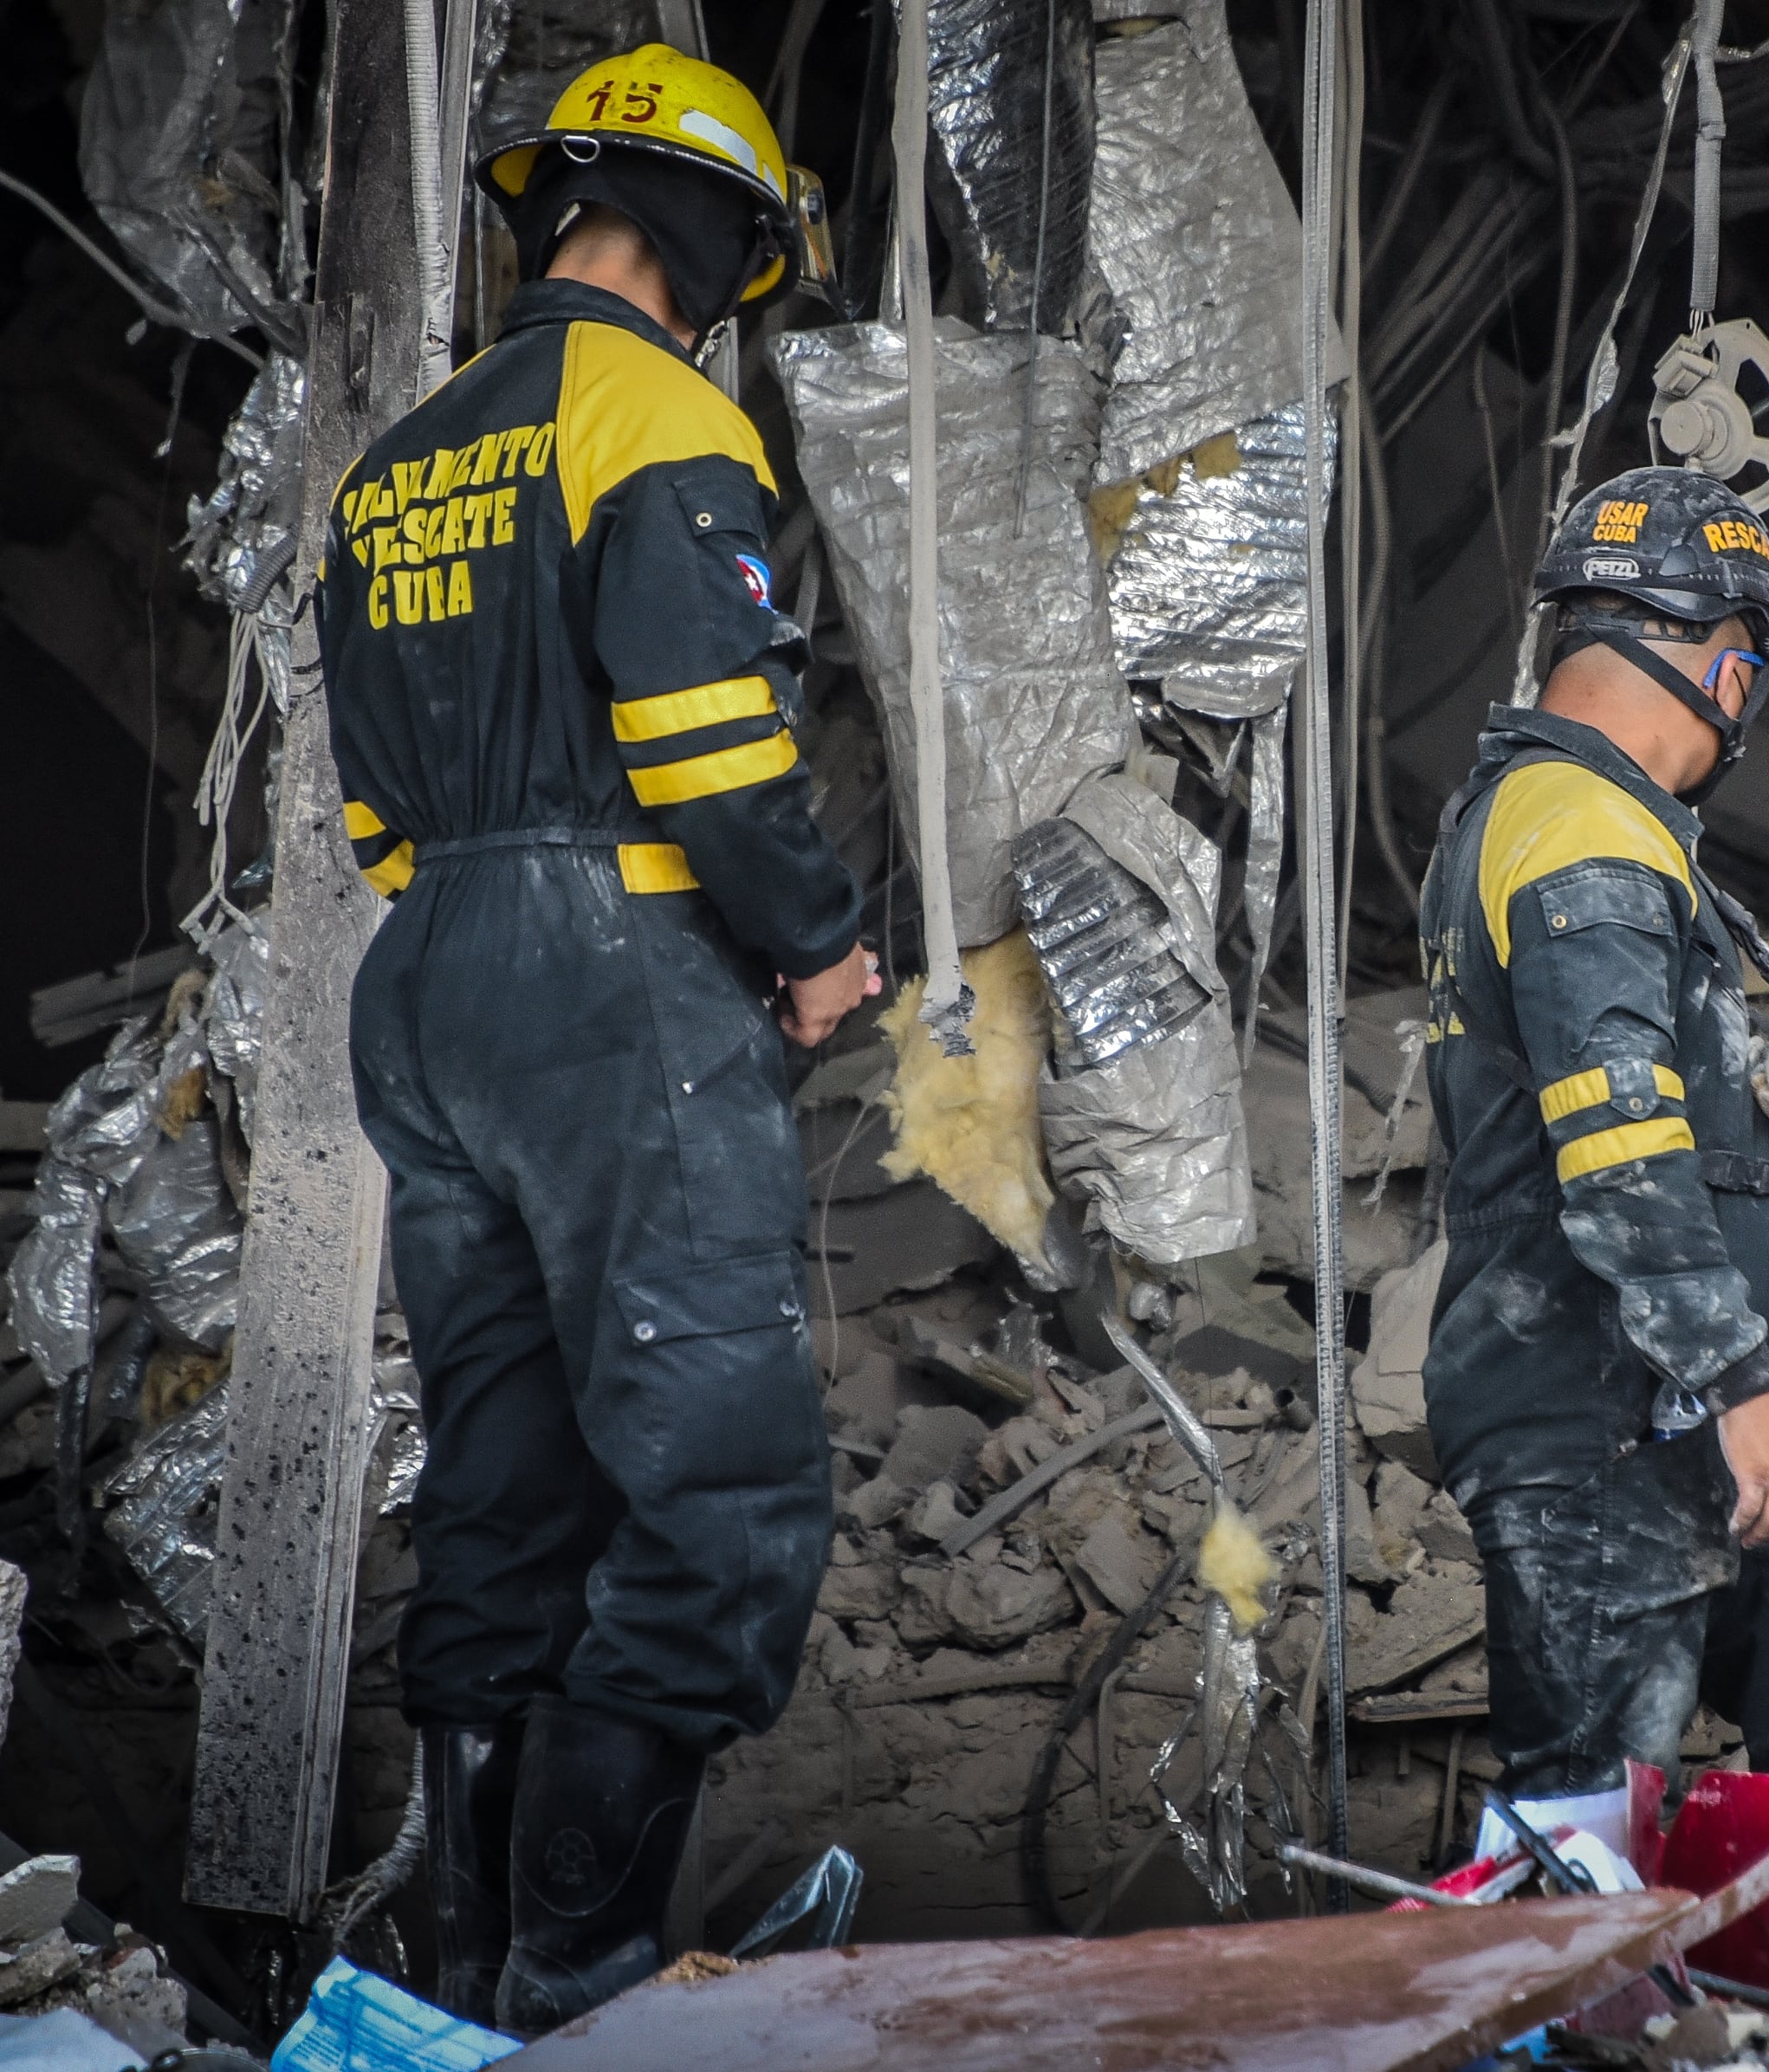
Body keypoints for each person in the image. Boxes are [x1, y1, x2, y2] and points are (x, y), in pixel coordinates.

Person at [314, 44, 863, 2032]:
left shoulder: (403, 459)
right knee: (718, 1490)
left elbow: (369, 799)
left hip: (432, 966)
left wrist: (483, 895)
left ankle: (460, 1984)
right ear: (707, 231)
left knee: (508, 1481)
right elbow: (714, 743)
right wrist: (810, 940)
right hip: (616, 955)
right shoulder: (657, 411)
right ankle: (591, 1974)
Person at [1417, 466, 1769, 1967]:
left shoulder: (1592, 826)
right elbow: (1618, 1153)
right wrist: (1739, 1386)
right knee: (1586, 1874)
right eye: (1753, 677)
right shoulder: (1577, 825)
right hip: (1609, 1420)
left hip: (1691, 1408)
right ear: (1726, 659)